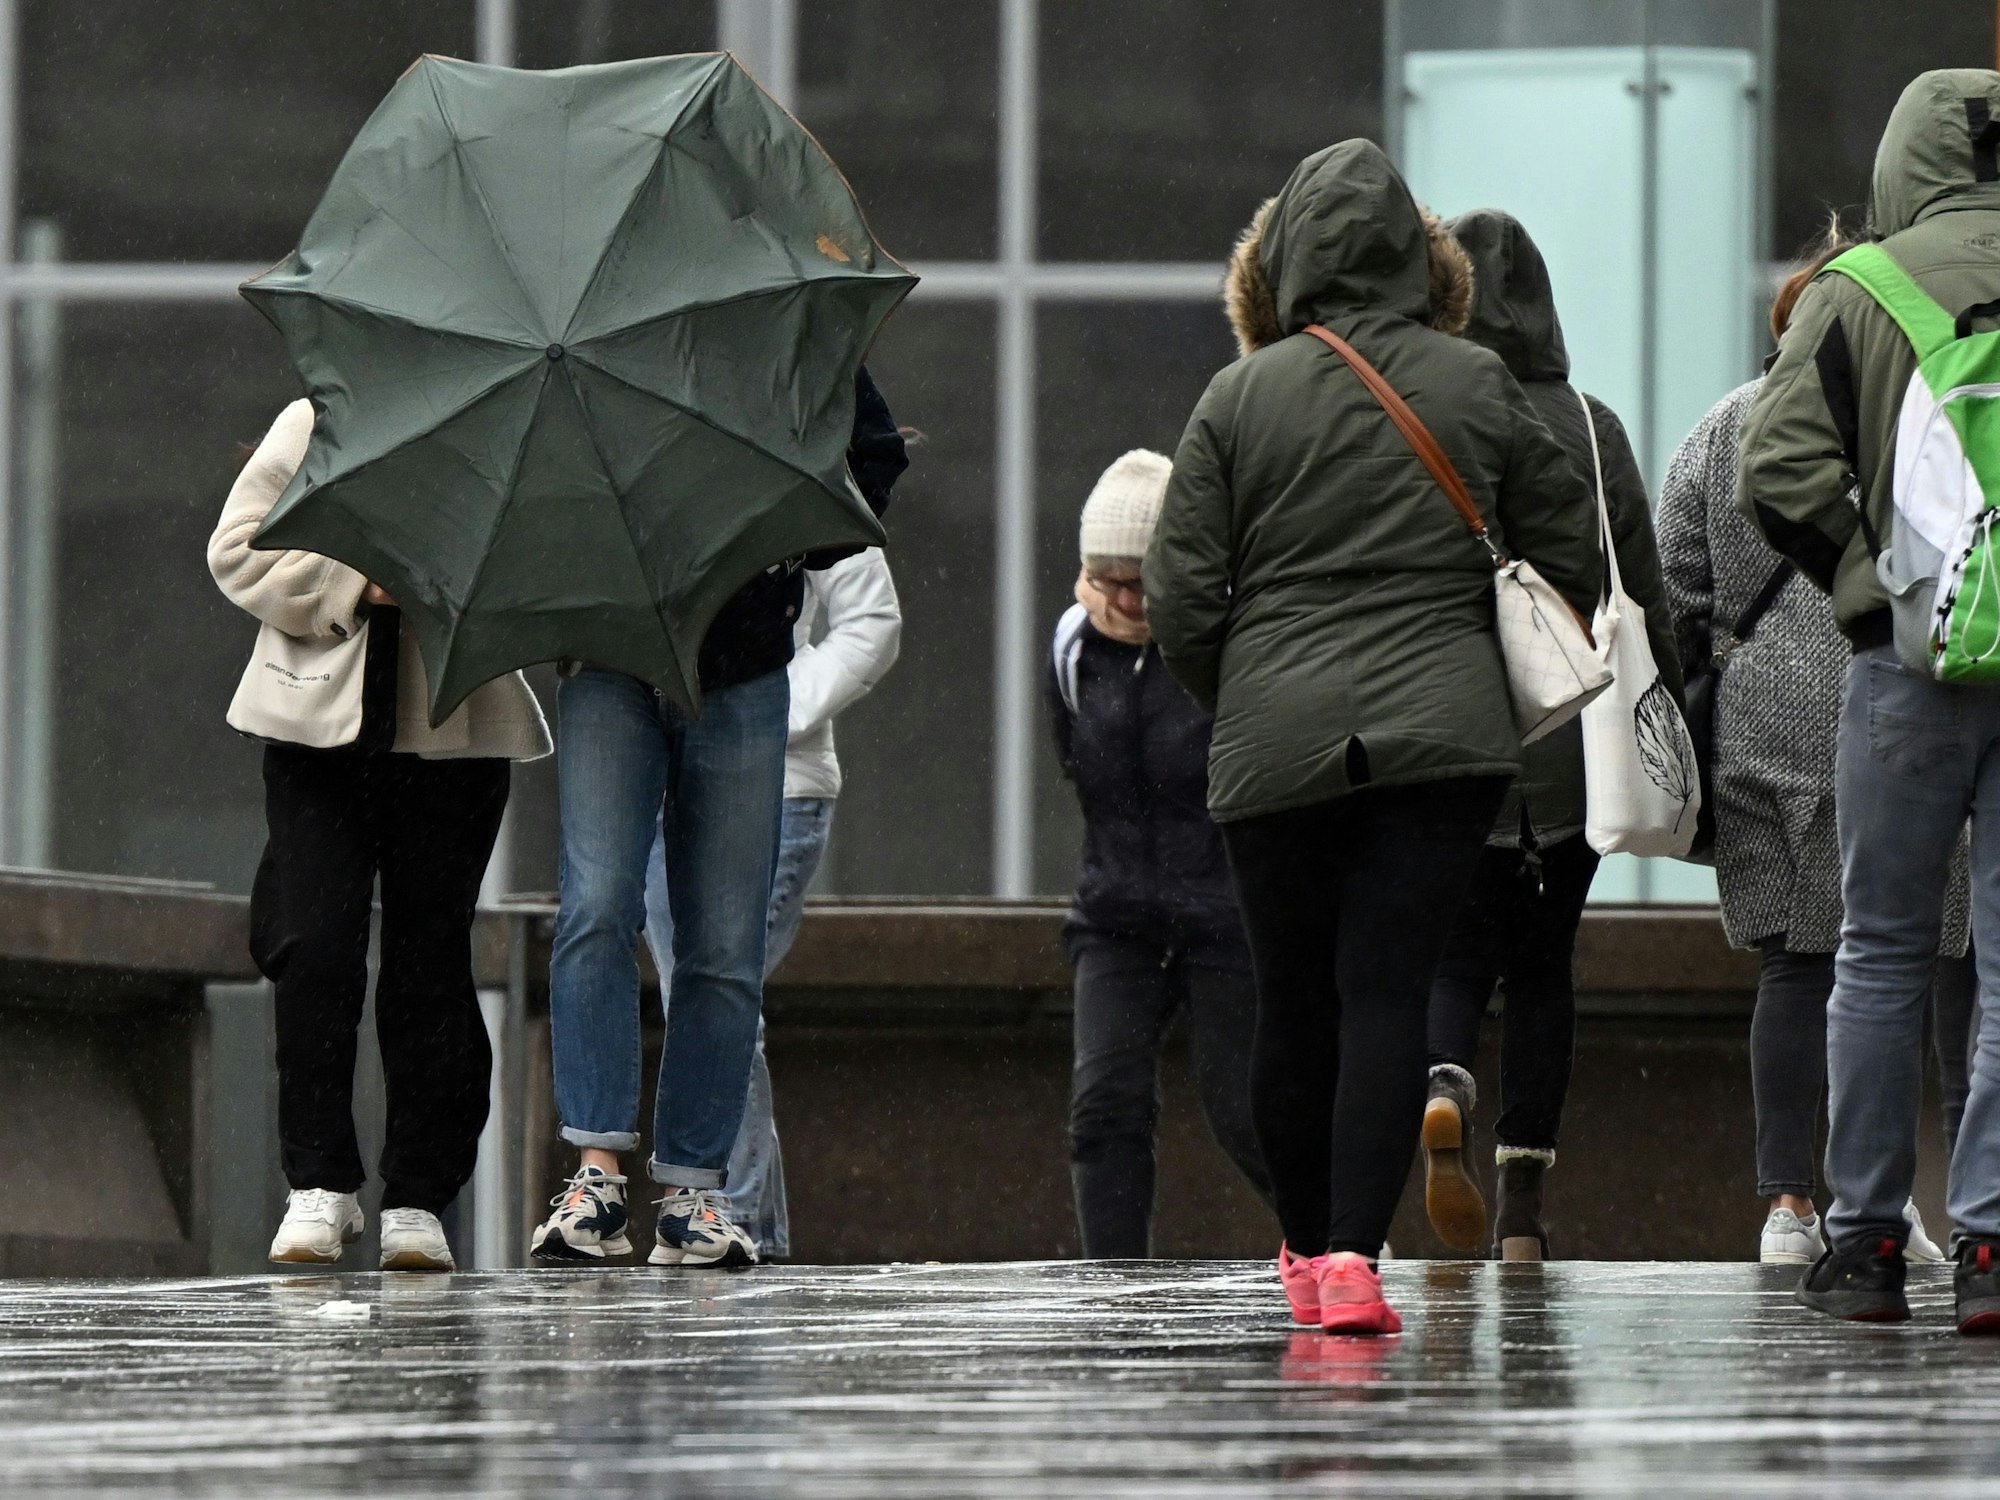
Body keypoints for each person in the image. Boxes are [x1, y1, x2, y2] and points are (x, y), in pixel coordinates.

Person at [1146, 140, 1600, 1334]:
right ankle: (1354, 1259)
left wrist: (1245, 690)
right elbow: (1573, 557)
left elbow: (1181, 599)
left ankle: (1299, 1252)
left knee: (1290, 998)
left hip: (1272, 746)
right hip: (1440, 746)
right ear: (1421, 261)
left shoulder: (1234, 399)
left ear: (1277, 267)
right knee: (1387, 991)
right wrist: (1464, 665)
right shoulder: (1475, 384)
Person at [530, 370, 906, 1267]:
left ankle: (694, 1192)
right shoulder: (583, 336)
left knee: (723, 944)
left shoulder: (776, 331)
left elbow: (873, 459)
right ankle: (597, 1176)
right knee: (598, 906)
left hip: (740, 665)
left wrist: (784, 533)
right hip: (610, 655)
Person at [1738, 68, 2000, 1332]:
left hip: (1908, 665)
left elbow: (1773, 465)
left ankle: (1865, 1246)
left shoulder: (1859, 289)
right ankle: (1995, 1245)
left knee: (1881, 947)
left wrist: (1873, 589)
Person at [1661, 223, 1963, 1267]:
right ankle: (1915, 1205)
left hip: (1766, 732)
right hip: (1915, 699)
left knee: (1798, 969)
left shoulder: (1721, 428)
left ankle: (1788, 1205)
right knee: (1931, 963)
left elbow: (1677, 589)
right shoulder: (1918, 416)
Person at [210, 398, 552, 1272]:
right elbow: (237, 548)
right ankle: (320, 1182)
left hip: (457, 730)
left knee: (431, 961)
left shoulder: (507, 420)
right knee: (313, 944)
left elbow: (550, 566)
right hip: (315, 732)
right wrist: (357, 583)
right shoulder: (318, 417)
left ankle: (417, 1198)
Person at [1421, 209, 1684, 1262]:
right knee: (1543, 968)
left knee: (1451, 950)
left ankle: (1443, 1075)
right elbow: (1642, 587)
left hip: (1455, 728)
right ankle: (1522, 1206)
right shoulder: (1586, 423)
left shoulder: (1428, 417)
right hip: (1572, 741)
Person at [640, 543, 903, 1260]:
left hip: (778, 784)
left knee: (714, 994)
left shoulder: (792, 457)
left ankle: (735, 1219)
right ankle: (747, 1227)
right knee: (704, 996)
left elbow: (872, 620)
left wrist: (763, 710)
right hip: (664, 778)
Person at [1050, 448, 1272, 1259]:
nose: (1126, 599)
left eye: (1143, 580)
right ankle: (1113, 1284)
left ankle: (1336, 1245)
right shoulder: (1074, 648)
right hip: (1116, 916)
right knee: (1104, 1104)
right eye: (1108, 579)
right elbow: (1078, 768)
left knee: (1244, 1110)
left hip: (1223, 914)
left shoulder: (1223, 646)